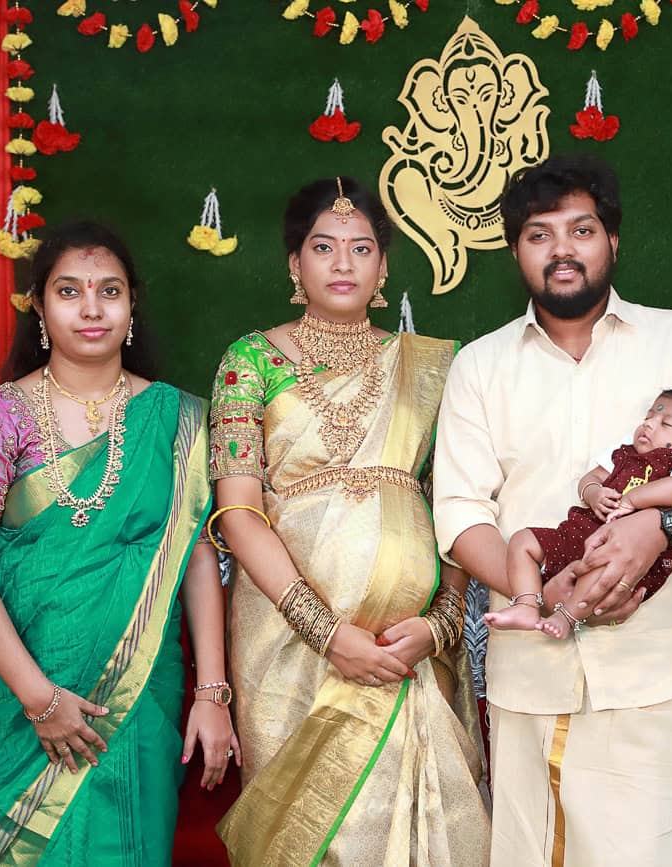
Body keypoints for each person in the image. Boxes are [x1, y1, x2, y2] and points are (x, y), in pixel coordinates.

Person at [433, 154, 672, 865]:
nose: (562, 249)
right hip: (531, 674)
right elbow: (459, 512)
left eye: (581, 228)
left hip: (657, 679)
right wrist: (538, 585)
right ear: (515, 251)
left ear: (613, 241)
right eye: (539, 234)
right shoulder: (481, 364)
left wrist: (663, 526)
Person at [209, 177, 490, 866]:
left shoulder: (435, 366)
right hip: (286, 644)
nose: (343, 263)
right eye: (323, 247)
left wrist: (442, 623)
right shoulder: (249, 361)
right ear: (294, 265)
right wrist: (327, 633)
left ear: (384, 266)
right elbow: (240, 514)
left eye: (361, 248)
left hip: (409, 650)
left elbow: (459, 506)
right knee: (309, 838)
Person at [0, 221, 237, 866]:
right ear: (40, 307)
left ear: (132, 307)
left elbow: (195, 558)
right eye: (69, 291)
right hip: (18, 694)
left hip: (140, 693)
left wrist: (212, 694)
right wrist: (39, 700)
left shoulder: (182, 419)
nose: (93, 307)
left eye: (110, 290)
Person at [488, 387, 672, 638]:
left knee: (599, 570)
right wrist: (594, 493)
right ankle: (526, 604)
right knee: (522, 541)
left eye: (666, 423)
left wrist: (632, 500)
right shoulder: (626, 452)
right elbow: (591, 478)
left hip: (624, 552)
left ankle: (567, 616)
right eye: (648, 417)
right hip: (581, 530)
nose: (649, 425)